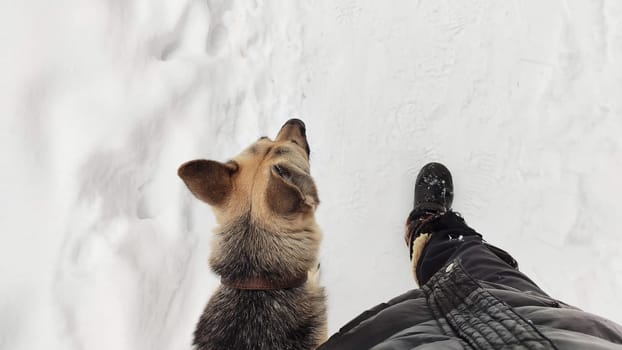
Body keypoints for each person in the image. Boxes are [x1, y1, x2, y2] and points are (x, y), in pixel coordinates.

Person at [319, 163, 622, 350]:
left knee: (460, 278)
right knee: (475, 263)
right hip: (552, 330)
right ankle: (432, 230)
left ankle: (430, 234)